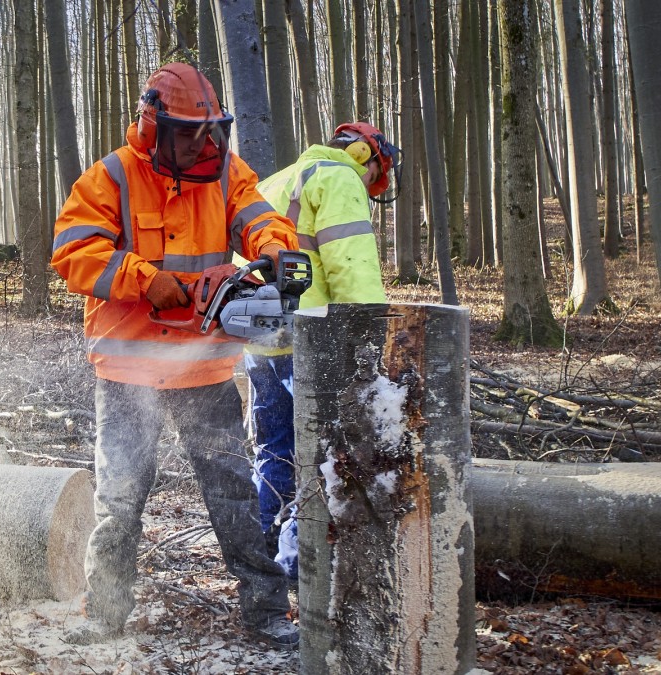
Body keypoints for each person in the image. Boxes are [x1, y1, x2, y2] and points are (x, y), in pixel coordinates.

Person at [50, 62, 300, 649]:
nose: (199, 142)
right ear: (154, 124)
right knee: (120, 499)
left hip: (203, 367)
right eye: (187, 131)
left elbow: (262, 218)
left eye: (207, 130)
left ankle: (266, 611)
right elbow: (72, 251)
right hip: (128, 371)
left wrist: (270, 254)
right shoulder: (111, 177)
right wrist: (144, 279)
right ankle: (105, 613)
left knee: (233, 492)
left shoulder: (225, 174)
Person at [245, 122, 401, 579]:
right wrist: (370, 340)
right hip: (312, 338)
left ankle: (262, 553)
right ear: (361, 155)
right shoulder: (338, 178)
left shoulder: (275, 181)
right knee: (322, 452)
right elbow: (351, 266)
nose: (369, 183)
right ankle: (297, 565)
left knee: (273, 447)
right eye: (373, 172)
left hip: (259, 337)